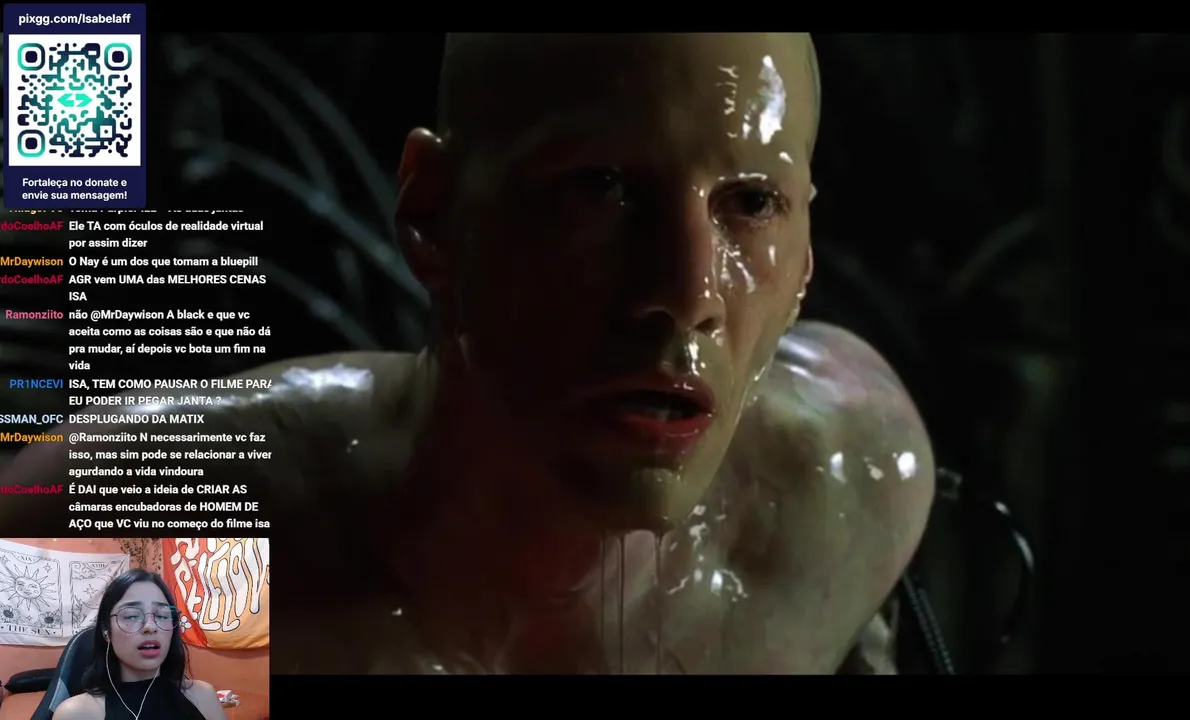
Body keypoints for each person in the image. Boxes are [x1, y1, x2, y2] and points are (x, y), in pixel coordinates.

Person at [5, 33, 935, 674]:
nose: (687, 291)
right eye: (603, 187)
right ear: (432, 214)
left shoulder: (842, 489)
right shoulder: (159, 534)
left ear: (805, 261)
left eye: (752, 203)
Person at [50, 569, 226, 720]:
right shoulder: (76, 713)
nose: (150, 626)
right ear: (106, 632)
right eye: (132, 616)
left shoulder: (204, 697)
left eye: (162, 615)